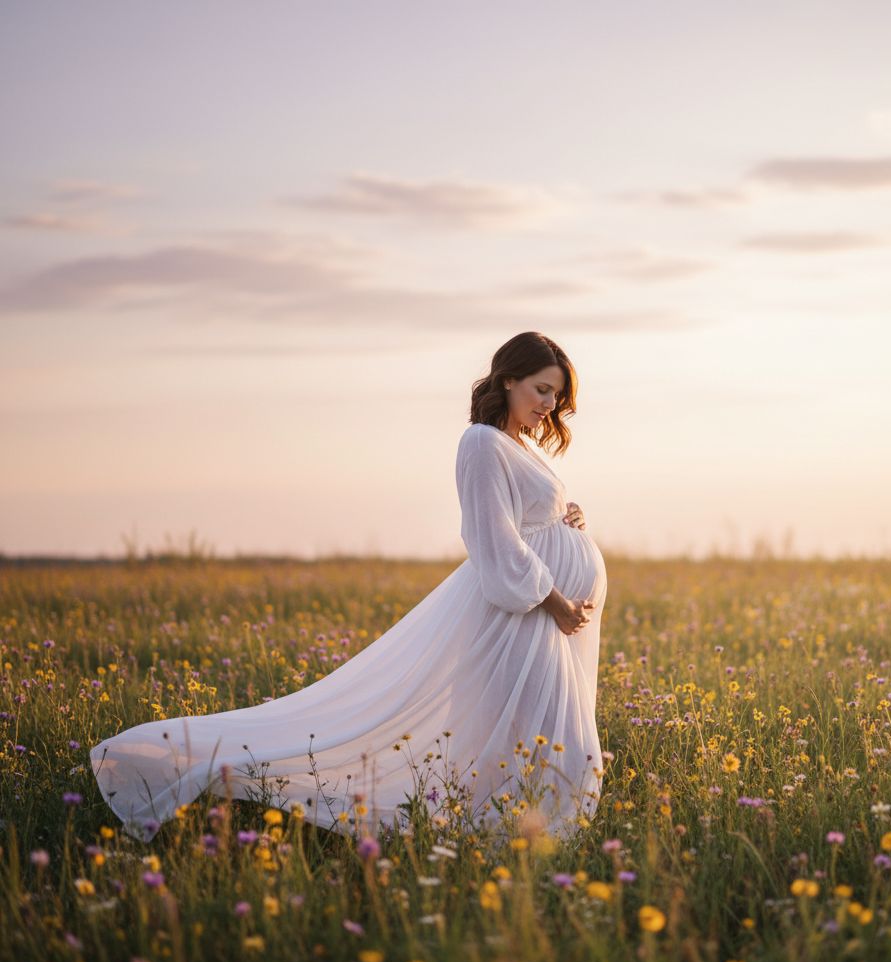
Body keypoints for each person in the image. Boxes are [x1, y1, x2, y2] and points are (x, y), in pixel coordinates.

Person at [90, 331, 608, 842]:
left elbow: (525, 520)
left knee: (538, 736)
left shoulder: (517, 445)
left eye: (556, 395)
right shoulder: (481, 441)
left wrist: (566, 517)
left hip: (540, 616)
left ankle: (508, 835)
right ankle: (167, 757)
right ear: (509, 378)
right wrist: (559, 603)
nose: (549, 404)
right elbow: (494, 540)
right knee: (547, 739)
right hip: (523, 616)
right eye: (541, 389)